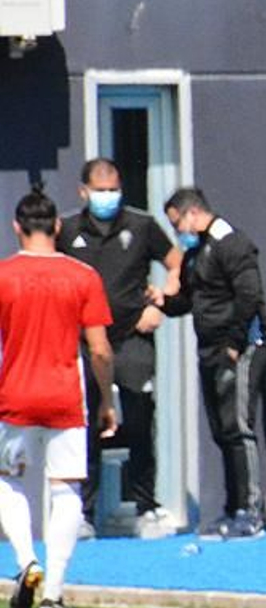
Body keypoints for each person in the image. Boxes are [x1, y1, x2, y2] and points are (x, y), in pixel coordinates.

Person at [0, 186, 117, 608]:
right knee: (66, 488)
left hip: (14, 395)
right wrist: (107, 398)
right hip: (66, 396)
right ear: (58, 226)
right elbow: (100, 350)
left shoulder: (3, 275)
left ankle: (26, 561)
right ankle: (54, 591)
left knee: (7, 480)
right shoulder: (83, 277)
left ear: (16, 228)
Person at [57, 157, 183, 539]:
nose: (107, 197)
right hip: (83, 342)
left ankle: (146, 506)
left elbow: (177, 262)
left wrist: (161, 299)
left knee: (141, 418)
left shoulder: (141, 226)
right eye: (100, 190)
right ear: (84, 192)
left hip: (131, 336)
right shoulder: (68, 229)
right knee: (87, 425)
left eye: (113, 190)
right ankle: (85, 512)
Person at [160, 187, 266, 540]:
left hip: (240, 347)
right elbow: (192, 299)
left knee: (239, 427)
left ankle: (251, 510)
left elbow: (249, 294)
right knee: (222, 431)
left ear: (192, 213)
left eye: (178, 223)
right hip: (209, 349)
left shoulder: (230, 242)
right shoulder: (197, 252)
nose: (179, 232)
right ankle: (232, 507)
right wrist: (162, 301)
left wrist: (236, 343)